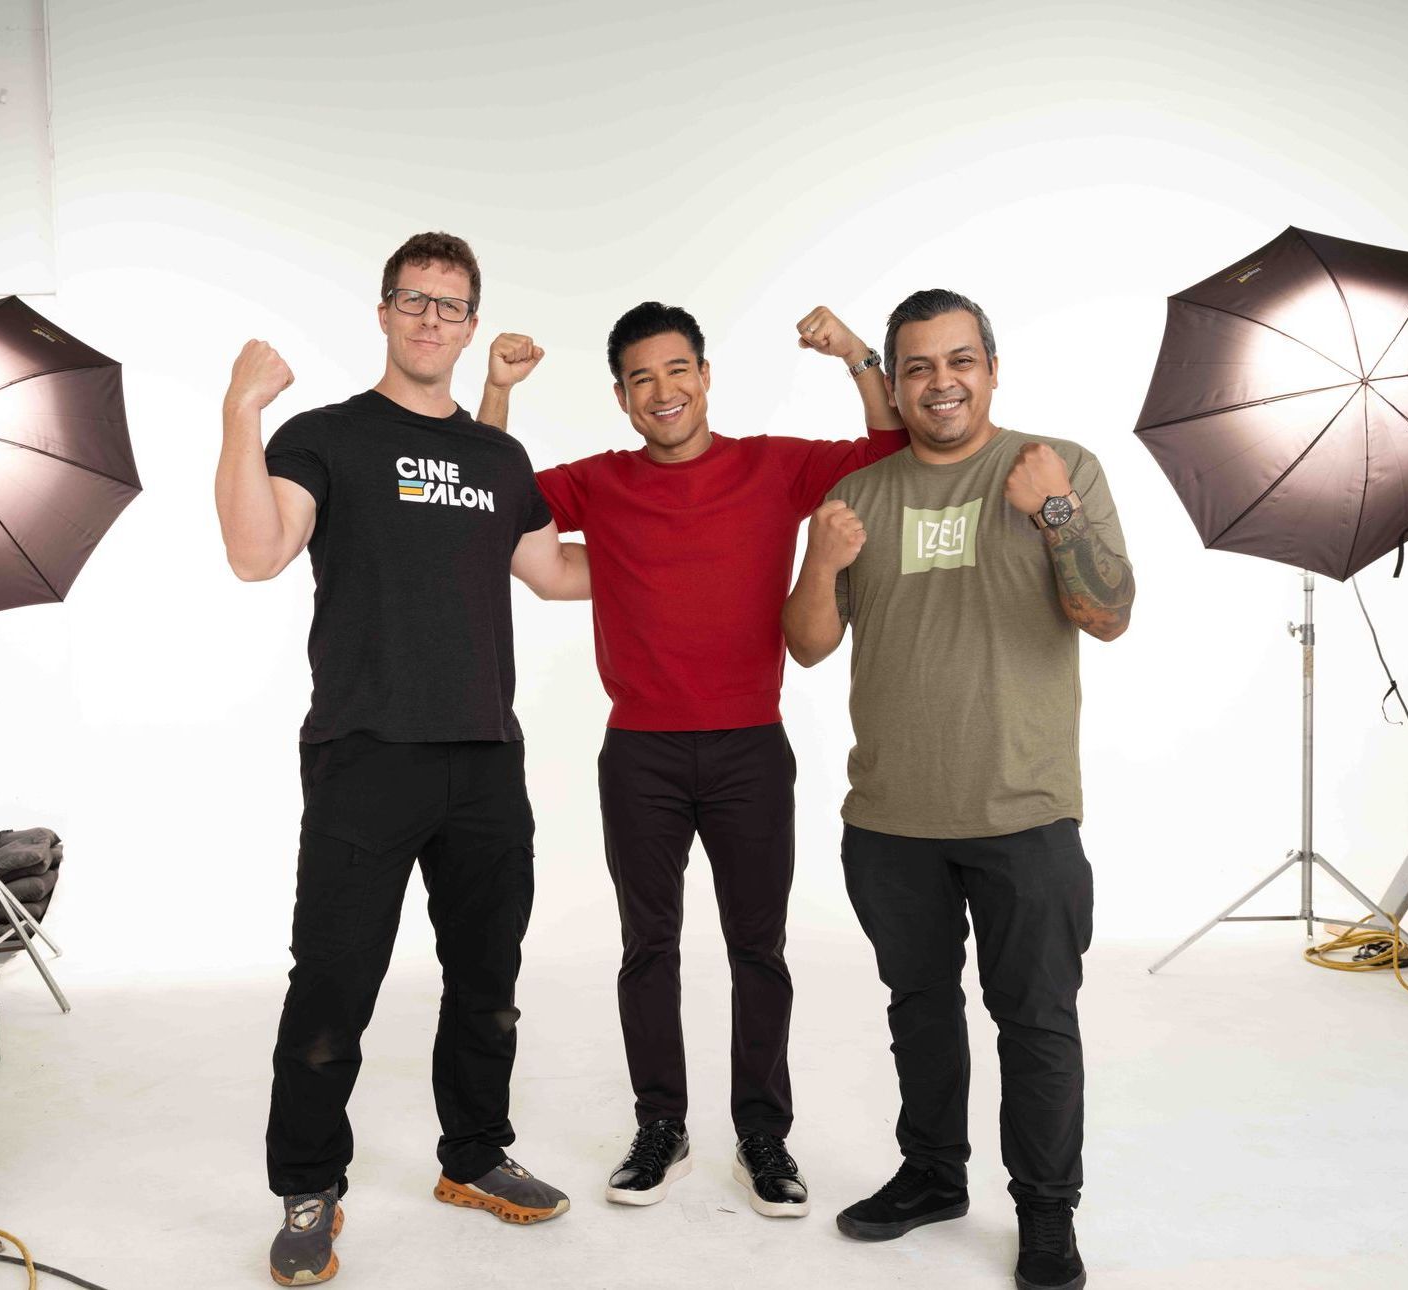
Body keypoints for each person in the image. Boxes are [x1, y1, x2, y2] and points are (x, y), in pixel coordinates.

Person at [214, 232, 589, 1287]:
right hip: (365, 755)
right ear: (384, 311)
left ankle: (473, 1156)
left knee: (488, 982)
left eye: (452, 306)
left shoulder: (497, 458)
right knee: (333, 983)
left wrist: (708, 545)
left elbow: (553, 574)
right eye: (414, 301)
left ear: (473, 324)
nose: (432, 320)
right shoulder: (325, 437)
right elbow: (255, 552)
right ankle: (308, 1191)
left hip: (484, 758)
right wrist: (241, 411)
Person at [479, 301, 907, 1218]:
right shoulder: (601, 483)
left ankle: (763, 1135)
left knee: (760, 949)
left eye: (678, 371)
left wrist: (855, 356)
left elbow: (883, 450)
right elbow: (488, 497)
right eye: (642, 379)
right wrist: (498, 390)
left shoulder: (772, 464)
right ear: (624, 399)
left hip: (752, 744)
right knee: (649, 949)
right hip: (640, 753)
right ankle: (660, 1125)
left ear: (705, 376)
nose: (663, 392)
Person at [782, 289, 1135, 1290]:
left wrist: (1055, 512)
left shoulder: (1053, 470)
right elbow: (808, 647)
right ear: (894, 383)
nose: (942, 382)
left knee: (1035, 1021)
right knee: (919, 1009)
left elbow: (1106, 615)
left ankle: (1046, 1216)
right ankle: (933, 1173)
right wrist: (821, 559)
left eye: (960, 361)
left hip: (1023, 814)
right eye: (920, 367)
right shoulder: (861, 492)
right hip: (891, 819)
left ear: (991, 366)